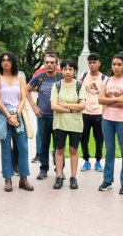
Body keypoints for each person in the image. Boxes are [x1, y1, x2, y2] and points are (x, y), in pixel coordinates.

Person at [0, 52, 34, 192]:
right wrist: (9, 116)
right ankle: (8, 178)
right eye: (3, 60)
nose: (5, 62)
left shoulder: (20, 77)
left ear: (13, 62)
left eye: (8, 60)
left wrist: (15, 115)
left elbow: (23, 98)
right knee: (6, 149)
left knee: (23, 147)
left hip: (18, 115)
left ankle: (23, 178)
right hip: (3, 116)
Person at [98, 53, 123, 194]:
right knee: (109, 151)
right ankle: (107, 180)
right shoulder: (106, 81)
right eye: (114, 64)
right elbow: (100, 100)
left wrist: (109, 99)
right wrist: (116, 99)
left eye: (119, 64)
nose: (116, 67)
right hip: (107, 119)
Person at [50, 59, 86, 189]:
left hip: (75, 124)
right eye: (65, 69)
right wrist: (72, 109)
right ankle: (59, 176)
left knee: (73, 150)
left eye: (70, 69)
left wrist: (63, 105)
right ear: (61, 70)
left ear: (74, 71)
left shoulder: (79, 86)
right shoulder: (57, 86)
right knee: (59, 150)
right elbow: (54, 105)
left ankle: (73, 177)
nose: (67, 71)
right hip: (59, 124)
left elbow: (82, 105)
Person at [26, 53, 62, 180]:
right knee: (44, 144)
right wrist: (33, 106)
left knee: (59, 145)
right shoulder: (39, 77)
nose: (49, 65)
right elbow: (26, 90)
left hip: (59, 116)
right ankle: (43, 169)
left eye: (52, 62)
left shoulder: (61, 76)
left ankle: (59, 169)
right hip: (43, 116)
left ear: (56, 64)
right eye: (47, 62)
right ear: (44, 64)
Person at [78, 53, 107, 172]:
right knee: (83, 139)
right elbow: (77, 92)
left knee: (99, 139)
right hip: (84, 112)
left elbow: (105, 97)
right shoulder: (82, 76)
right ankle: (86, 161)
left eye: (94, 62)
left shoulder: (105, 79)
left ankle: (98, 161)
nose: (92, 65)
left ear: (99, 63)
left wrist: (104, 113)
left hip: (99, 113)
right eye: (90, 62)